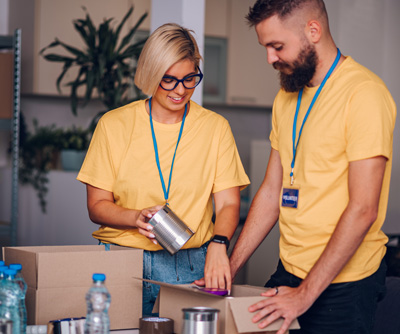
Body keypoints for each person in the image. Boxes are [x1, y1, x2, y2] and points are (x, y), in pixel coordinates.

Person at [229, 1, 397, 333]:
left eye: (277, 46)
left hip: (345, 284)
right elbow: (271, 191)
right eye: (266, 47)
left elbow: (364, 208)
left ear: (313, 31)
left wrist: (304, 295)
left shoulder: (364, 94)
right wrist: (230, 267)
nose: (270, 59)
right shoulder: (286, 96)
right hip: (290, 270)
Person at [77, 23, 250, 316]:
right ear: (150, 74)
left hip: (191, 262)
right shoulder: (113, 125)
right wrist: (136, 217)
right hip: (121, 261)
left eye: (190, 79)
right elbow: (96, 207)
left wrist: (220, 244)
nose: (181, 90)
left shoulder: (215, 128)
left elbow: (229, 203)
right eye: (168, 80)